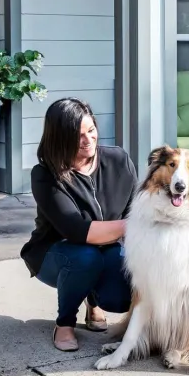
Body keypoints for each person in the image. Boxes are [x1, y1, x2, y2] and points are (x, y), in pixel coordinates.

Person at [21, 98, 138, 352]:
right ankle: (64, 324)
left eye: (91, 130)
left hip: (106, 248)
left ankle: (92, 299)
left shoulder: (119, 160)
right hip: (57, 254)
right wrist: (136, 225)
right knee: (85, 257)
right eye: (78, 135)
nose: (88, 140)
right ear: (60, 138)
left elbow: (134, 210)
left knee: (120, 298)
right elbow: (77, 230)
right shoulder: (45, 175)